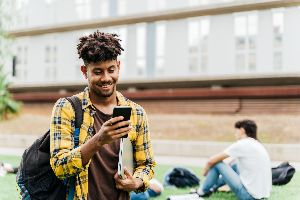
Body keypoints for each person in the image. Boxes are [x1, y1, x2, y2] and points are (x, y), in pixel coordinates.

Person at [50, 31, 156, 200]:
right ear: (85, 71)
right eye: (98, 72)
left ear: (119, 67)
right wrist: (98, 140)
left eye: (111, 70)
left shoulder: (137, 113)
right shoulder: (67, 108)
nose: (106, 78)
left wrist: (136, 182)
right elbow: (59, 167)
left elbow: (147, 165)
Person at [196, 119, 272, 200]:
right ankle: (213, 187)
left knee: (218, 164)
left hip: (249, 196)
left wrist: (204, 172)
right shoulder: (256, 144)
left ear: (242, 130)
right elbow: (231, 163)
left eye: (236, 131)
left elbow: (211, 161)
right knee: (235, 165)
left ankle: (202, 192)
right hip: (263, 196)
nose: (235, 134)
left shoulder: (243, 144)